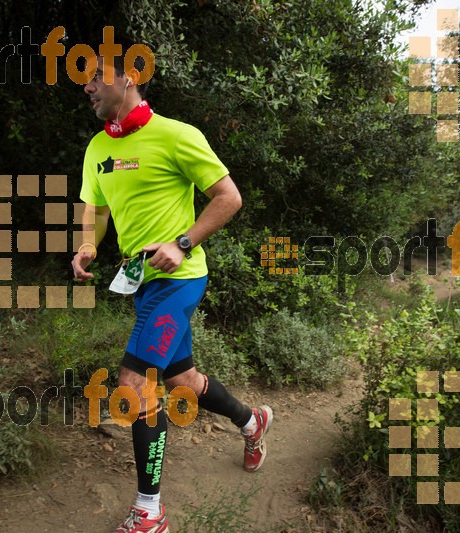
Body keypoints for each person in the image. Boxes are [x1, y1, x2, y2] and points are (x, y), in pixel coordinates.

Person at [71, 44, 273, 533]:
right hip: (143, 285)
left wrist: (183, 243)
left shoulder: (177, 136)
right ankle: (252, 423)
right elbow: (95, 208)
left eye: (96, 77)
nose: (87, 87)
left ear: (128, 78)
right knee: (184, 382)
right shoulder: (99, 147)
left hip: (180, 281)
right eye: (83, 81)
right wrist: (87, 246)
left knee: (134, 386)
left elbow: (229, 197)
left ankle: (150, 511)